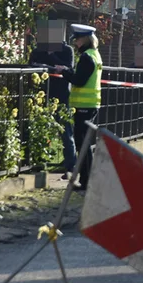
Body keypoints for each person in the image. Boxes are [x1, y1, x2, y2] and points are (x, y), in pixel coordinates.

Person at [52, 23, 102, 191]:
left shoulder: (87, 57)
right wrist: (67, 69)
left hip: (84, 106)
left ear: (86, 39)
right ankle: (87, 179)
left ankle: (86, 180)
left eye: (78, 40)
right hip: (90, 104)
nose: (75, 43)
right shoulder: (94, 54)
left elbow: (79, 80)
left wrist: (64, 72)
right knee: (85, 143)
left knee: (83, 145)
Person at [29, 22, 77, 179]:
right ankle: (36, 161)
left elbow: (67, 67)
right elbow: (32, 64)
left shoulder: (66, 50)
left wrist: (51, 56)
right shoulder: (38, 50)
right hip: (42, 94)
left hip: (62, 95)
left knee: (65, 130)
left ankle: (70, 165)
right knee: (37, 128)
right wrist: (50, 66)